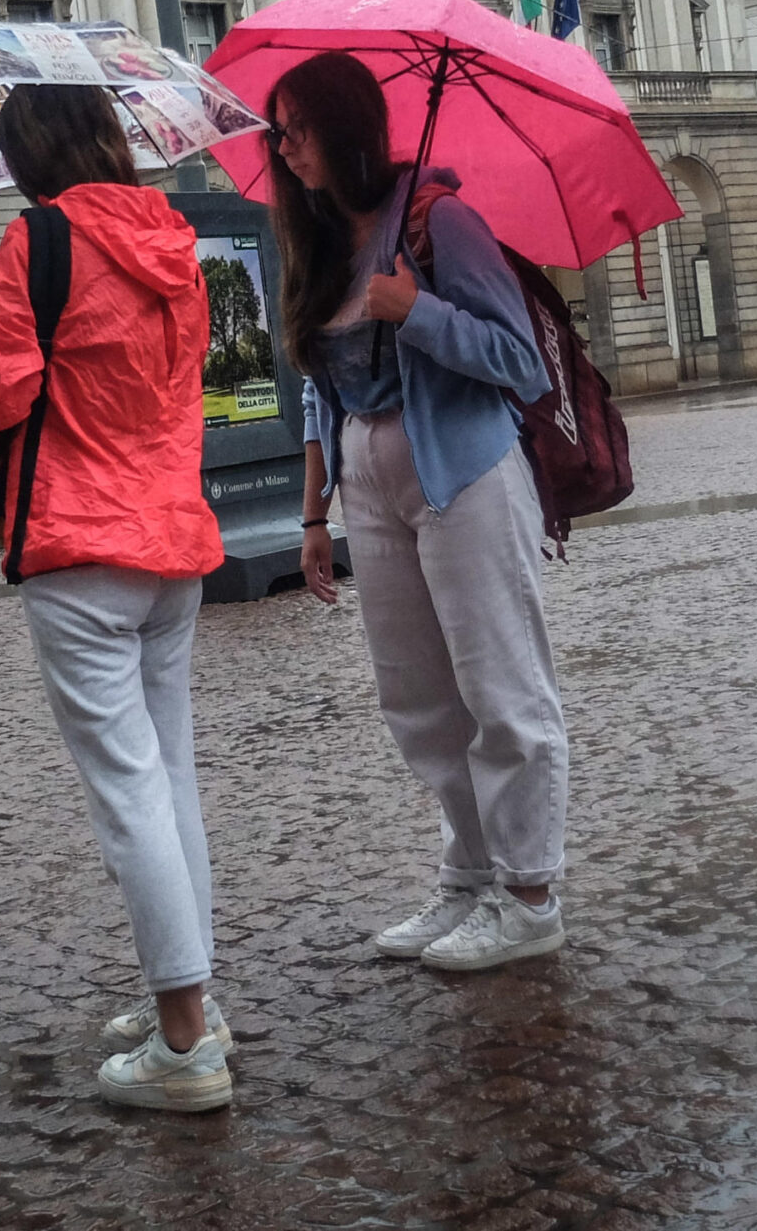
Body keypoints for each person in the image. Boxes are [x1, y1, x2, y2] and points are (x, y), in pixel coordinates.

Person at [0, 84, 233, 1112]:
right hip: (171, 539)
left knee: (128, 794)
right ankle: (198, 1002)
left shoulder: (38, 242)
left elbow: (0, 397)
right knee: (169, 783)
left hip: (80, 547)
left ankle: (185, 1043)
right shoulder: (172, 234)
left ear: (28, 158)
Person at [270, 52, 568, 973]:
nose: (285, 150)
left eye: (298, 130)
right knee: (420, 701)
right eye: (278, 134)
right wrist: (315, 509)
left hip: (464, 469)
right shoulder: (322, 242)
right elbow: (323, 388)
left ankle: (530, 895)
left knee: (500, 687)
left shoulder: (443, 221)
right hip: (370, 480)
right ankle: (473, 872)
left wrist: (419, 311)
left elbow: (523, 362)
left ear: (344, 128)